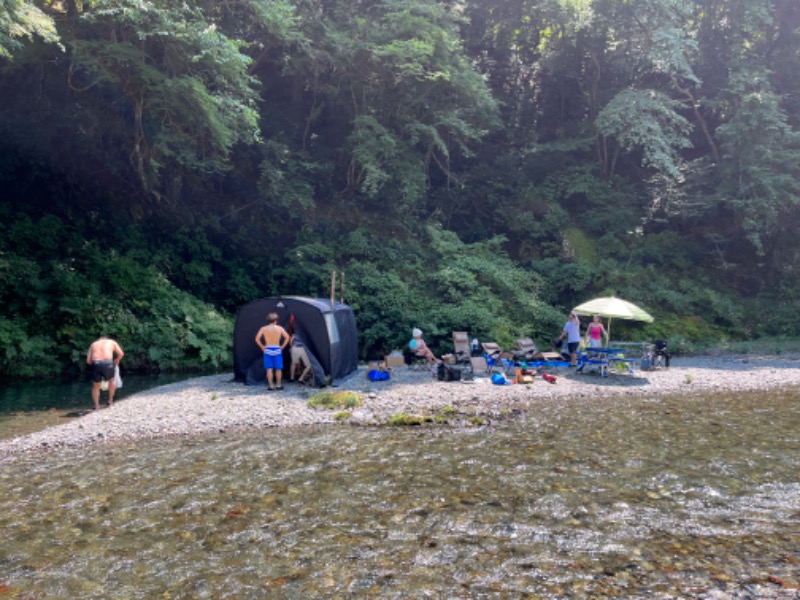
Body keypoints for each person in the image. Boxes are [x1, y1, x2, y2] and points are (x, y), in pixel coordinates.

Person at [86, 336, 124, 410]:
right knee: (111, 381)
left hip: (96, 363)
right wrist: (117, 359)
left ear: (98, 340)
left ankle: (97, 405)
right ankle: (110, 401)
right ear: (106, 339)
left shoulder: (93, 344)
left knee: (96, 385)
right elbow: (121, 354)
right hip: (108, 363)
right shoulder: (112, 342)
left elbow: (88, 361)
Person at [255, 312, 290, 390]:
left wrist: (262, 347)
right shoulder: (279, 328)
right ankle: (278, 385)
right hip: (277, 349)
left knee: (269, 368)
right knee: (278, 369)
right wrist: (282, 347)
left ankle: (270, 386)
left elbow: (257, 339)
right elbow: (287, 337)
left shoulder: (263, 328)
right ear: (275, 320)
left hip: (268, 349)